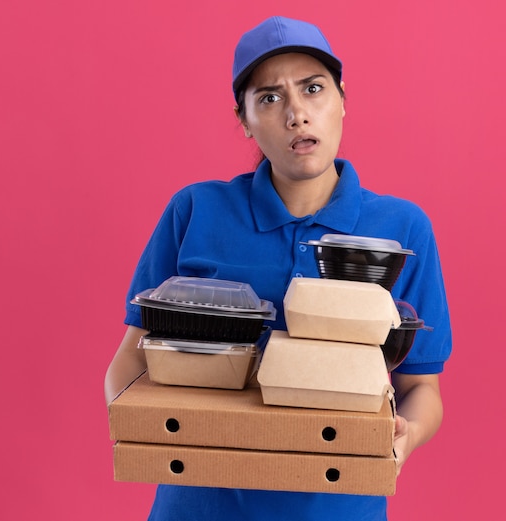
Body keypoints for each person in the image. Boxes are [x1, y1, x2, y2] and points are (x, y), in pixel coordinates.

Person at [104, 15, 452, 521]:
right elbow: (130, 363)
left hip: (338, 506)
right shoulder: (196, 210)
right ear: (243, 119)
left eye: (313, 89)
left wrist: (405, 437)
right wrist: (149, 437)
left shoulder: (400, 229)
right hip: (199, 506)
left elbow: (421, 388)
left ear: (342, 99)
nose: (296, 114)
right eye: (268, 97)